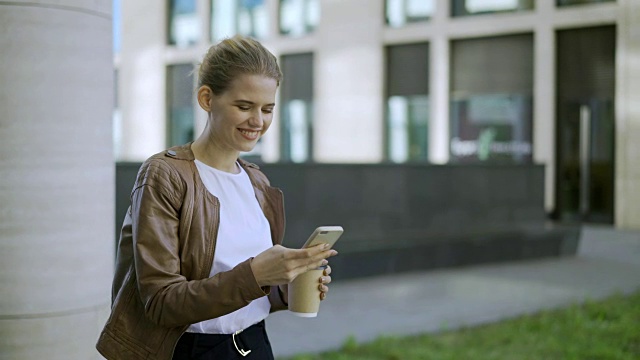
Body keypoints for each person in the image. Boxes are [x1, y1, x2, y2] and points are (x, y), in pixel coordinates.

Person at [96, 35, 338, 360]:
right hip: (192, 351)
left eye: (267, 109)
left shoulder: (256, 180)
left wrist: (289, 284)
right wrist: (256, 274)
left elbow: (253, 292)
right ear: (207, 98)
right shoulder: (165, 175)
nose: (258, 121)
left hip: (255, 345)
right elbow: (160, 301)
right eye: (244, 106)